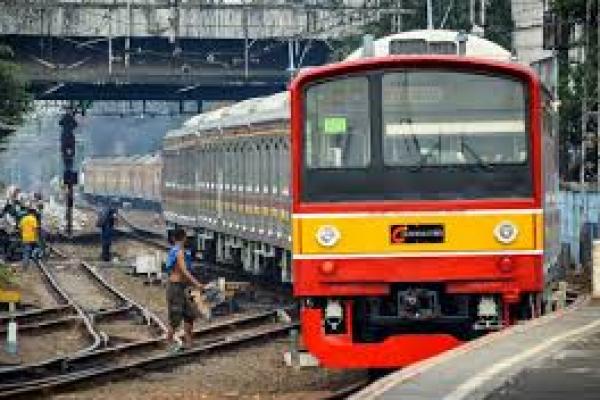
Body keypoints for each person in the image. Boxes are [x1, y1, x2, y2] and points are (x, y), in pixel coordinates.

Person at [166, 228, 204, 352]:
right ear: (183, 238)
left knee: (189, 314)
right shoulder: (179, 252)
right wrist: (197, 284)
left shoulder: (178, 251)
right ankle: (169, 342)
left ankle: (189, 343)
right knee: (175, 316)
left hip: (183, 287)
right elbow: (184, 271)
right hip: (176, 287)